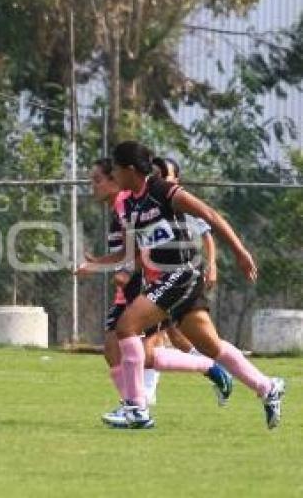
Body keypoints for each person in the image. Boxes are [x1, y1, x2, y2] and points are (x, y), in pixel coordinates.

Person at [104, 141, 284, 429]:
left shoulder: (162, 191)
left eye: (115, 167)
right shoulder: (133, 203)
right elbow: (141, 250)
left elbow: (210, 215)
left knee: (126, 327)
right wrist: (101, 263)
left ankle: (136, 408)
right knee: (210, 346)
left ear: (129, 169)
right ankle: (267, 386)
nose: (112, 173)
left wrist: (240, 252)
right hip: (166, 279)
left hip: (180, 273)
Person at [84, 158, 231, 429]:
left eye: (97, 180)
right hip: (136, 287)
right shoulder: (122, 207)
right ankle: (133, 404)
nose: (91, 186)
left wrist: (127, 272)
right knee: (114, 348)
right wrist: (101, 265)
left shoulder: (146, 203)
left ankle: (140, 403)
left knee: (145, 351)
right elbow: (131, 252)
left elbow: (144, 254)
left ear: (116, 180)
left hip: (154, 286)